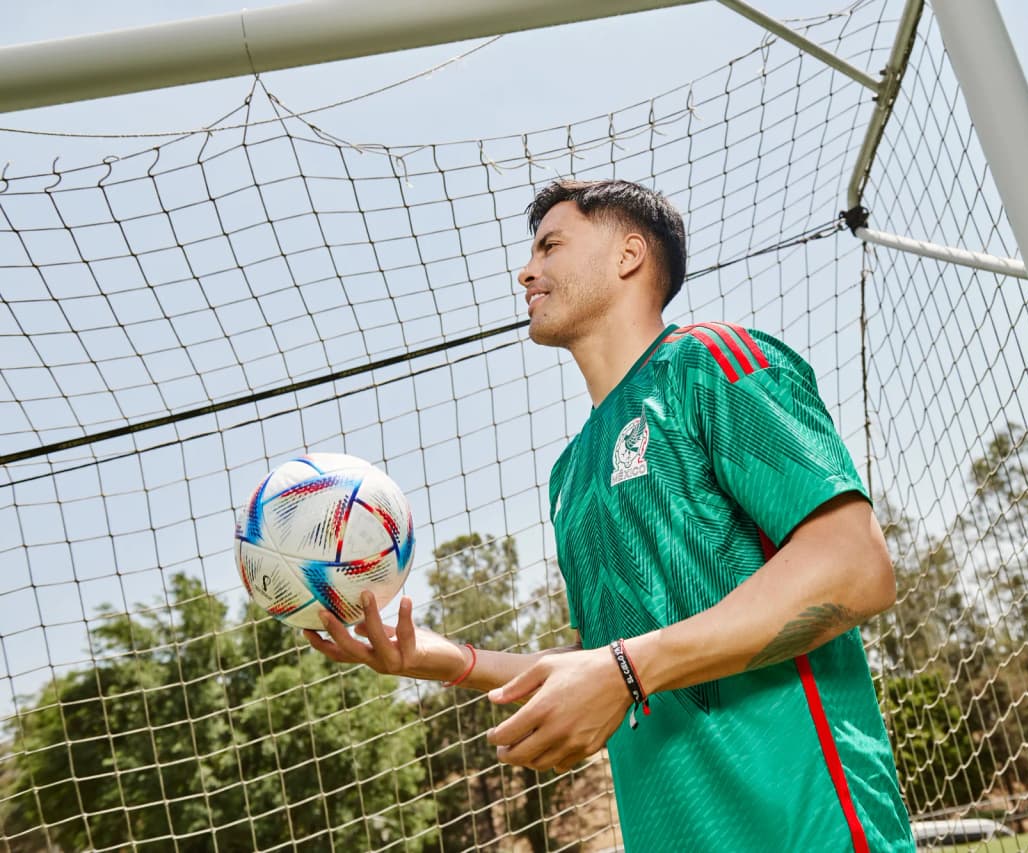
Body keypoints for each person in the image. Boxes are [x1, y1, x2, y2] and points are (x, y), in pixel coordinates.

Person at [306, 179, 913, 852]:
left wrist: (624, 668)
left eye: (551, 245)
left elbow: (856, 567)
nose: (525, 270)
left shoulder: (711, 361)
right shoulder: (571, 474)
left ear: (628, 255)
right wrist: (442, 658)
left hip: (808, 830)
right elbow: (599, 664)